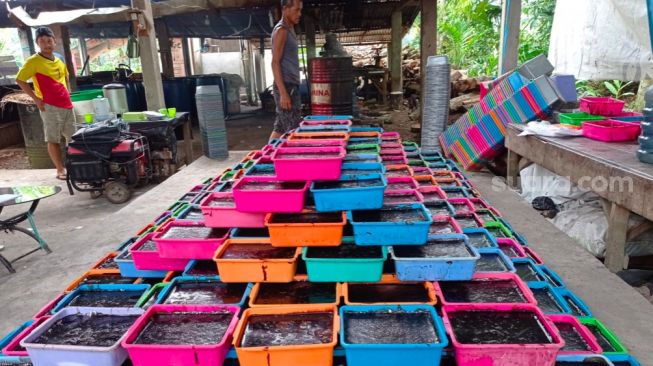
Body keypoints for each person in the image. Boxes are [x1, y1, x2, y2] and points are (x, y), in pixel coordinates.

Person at [16, 27, 75, 180]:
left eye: (49, 40)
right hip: (49, 105)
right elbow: (20, 80)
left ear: (54, 41)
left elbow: (66, 77)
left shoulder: (59, 58)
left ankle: (75, 165)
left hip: (67, 104)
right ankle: (60, 169)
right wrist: (36, 99)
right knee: (53, 138)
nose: (46, 44)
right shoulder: (33, 61)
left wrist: (68, 93)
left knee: (72, 137)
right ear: (37, 43)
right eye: (42, 41)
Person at [269, 0, 303, 140]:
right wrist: (283, 93)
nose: (299, 14)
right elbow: (275, 62)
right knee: (292, 130)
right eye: (296, 10)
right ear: (285, 9)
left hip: (291, 84)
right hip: (286, 86)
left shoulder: (290, 29)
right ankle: (289, 160)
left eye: (300, 10)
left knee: (280, 127)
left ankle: (267, 157)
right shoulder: (281, 31)